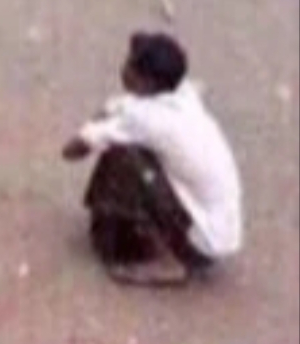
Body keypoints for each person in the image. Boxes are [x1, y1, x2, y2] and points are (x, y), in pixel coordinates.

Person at [63, 32, 243, 287]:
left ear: (146, 82)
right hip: (217, 230)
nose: (123, 67)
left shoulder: (148, 120)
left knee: (125, 156)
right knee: (135, 150)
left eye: (130, 64)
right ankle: (131, 232)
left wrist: (92, 128)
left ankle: (166, 259)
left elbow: (73, 150)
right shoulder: (183, 94)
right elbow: (121, 105)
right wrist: (105, 116)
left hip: (201, 241)